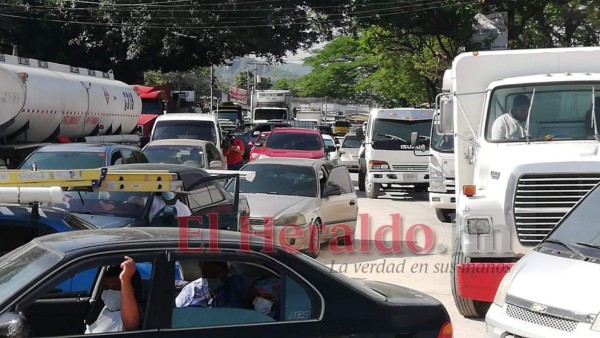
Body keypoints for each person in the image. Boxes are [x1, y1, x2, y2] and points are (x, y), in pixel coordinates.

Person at [85, 257, 141, 334]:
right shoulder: (104, 308)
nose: (110, 291)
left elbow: (131, 325)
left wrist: (125, 279)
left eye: (116, 287)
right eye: (106, 287)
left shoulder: (131, 312)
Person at [175, 261, 254, 309]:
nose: (210, 279)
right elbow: (176, 313)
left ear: (225, 271)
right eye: (206, 276)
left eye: (213, 275)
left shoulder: (238, 284)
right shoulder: (191, 290)